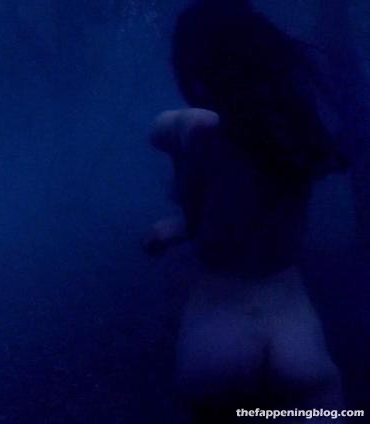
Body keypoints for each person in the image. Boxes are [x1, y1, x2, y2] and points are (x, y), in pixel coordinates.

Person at [145, 1, 347, 421]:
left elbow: (161, 131)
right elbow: (251, 213)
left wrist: (183, 209)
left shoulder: (197, 130)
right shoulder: (296, 138)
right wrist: (183, 226)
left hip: (216, 343)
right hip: (296, 343)